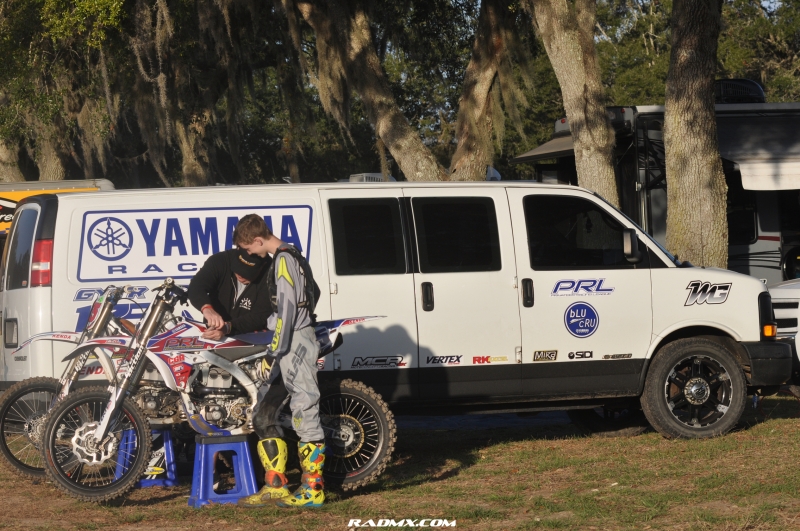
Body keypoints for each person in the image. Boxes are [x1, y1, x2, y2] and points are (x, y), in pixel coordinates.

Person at [234, 214, 325, 509]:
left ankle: (313, 489)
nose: (249, 253)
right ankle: (276, 486)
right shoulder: (292, 255)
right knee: (263, 414)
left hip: (293, 341)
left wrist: (273, 351)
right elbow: (313, 293)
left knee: (304, 410)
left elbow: (286, 310)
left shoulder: (284, 259)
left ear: (258, 240)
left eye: (248, 248)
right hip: (288, 340)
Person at [187, 243, 271, 340]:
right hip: (212, 335)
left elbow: (261, 315)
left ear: (261, 268)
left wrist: (227, 327)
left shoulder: (271, 273)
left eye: (247, 273)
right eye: (238, 268)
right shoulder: (220, 260)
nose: (241, 275)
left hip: (251, 337)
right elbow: (196, 286)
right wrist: (207, 308)